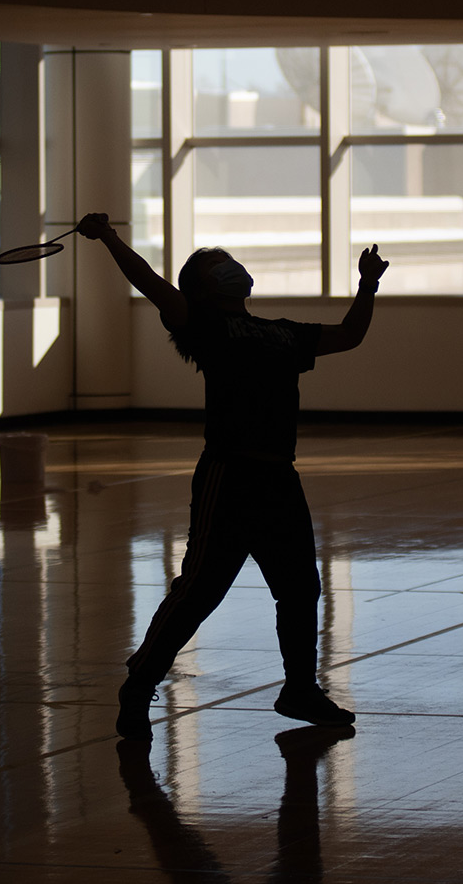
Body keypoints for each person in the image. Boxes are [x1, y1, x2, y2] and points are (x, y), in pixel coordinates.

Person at [76, 212, 386, 741]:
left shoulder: (282, 334)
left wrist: (366, 285)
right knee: (199, 590)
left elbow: (351, 335)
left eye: (231, 262)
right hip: (230, 474)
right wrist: (108, 237)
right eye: (220, 265)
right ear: (201, 288)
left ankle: (299, 689)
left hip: (279, 479)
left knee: (300, 589)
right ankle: (140, 682)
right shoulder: (204, 326)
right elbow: (149, 282)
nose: (234, 269)